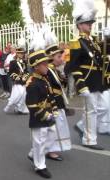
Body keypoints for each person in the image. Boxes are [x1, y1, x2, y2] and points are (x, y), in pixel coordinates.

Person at [69, 0, 107, 150]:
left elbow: (104, 56)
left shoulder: (95, 41)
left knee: (104, 107)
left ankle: (80, 125)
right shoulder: (76, 42)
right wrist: (80, 84)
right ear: (79, 25)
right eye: (87, 23)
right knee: (90, 111)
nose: (90, 25)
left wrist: (108, 39)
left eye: (91, 23)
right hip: (86, 81)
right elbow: (74, 65)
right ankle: (89, 140)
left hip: (97, 80)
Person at [26, 29, 59, 178]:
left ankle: (34, 153)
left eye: (47, 63)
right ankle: (40, 166)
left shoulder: (44, 79)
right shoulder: (32, 83)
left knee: (51, 135)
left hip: (48, 115)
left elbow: (51, 96)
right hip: (38, 118)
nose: (47, 66)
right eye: (44, 64)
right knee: (39, 140)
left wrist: (55, 109)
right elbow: (32, 105)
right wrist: (45, 115)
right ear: (36, 66)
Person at [44, 27, 72, 159]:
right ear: (51, 58)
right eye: (59, 56)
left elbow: (61, 85)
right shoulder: (48, 71)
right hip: (52, 102)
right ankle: (49, 150)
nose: (62, 59)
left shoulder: (54, 70)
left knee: (58, 125)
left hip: (59, 101)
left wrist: (63, 77)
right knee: (53, 127)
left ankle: (52, 148)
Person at [4, 38, 29, 114]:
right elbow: (11, 72)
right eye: (20, 53)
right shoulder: (13, 62)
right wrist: (16, 77)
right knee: (19, 94)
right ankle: (11, 105)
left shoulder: (24, 62)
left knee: (24, 94)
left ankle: (20, 109)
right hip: (17, 81)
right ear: (17, 53)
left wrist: (26, 76)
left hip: (23, 80)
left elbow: (26, 71)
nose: (21, 54)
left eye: (22, 53)